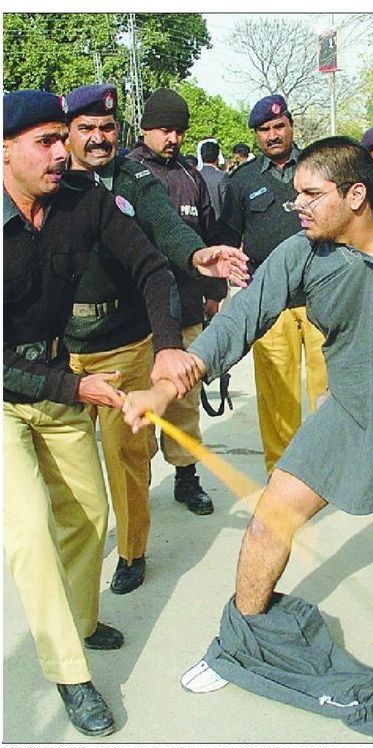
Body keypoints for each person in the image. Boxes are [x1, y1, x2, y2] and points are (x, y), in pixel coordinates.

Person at [124, 137, 373, 693]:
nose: (298, 207)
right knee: (270, 520)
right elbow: (242, 317)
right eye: (296, 195)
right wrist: (168, 387)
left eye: (312, 195)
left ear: (355, 196)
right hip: (350, 409)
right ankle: (239, 648)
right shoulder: (300, 253)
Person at [3, 89, 189, 736]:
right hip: (9, 395)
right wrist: (74, 387)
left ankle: (80, 620)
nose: (62, 153)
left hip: (57, 384)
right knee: (30, 532)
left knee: (88, 514)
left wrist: (169, 347)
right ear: (4, 151)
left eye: (64, 138)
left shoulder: (84, 201)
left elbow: (153, 268)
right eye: (45, 142)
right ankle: (70, 673)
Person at [64, 84, 248, 593]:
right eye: (86, 128)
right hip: (63, 348)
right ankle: (78, 545)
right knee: (67, 466)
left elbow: (167, 228)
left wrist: (195, 255)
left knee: (127, 457)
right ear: (67, 133)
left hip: (124, 343)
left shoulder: (134, 179)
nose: (98, 138)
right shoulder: (51, 180)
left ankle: (132, 551)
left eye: (106, 127)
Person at [128, 88, 229, 516]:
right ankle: (137, 486)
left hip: (185, 307)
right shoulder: (127, 172)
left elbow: (209, 235)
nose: (172, 138)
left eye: (179, 131)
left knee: (184, 400)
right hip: (137, 316)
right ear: (145, 128)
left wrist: (214, 295)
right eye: (165, 129)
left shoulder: (191, 176)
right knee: (138, 407)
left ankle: (187, 477)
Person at [215, 94, 328, 473]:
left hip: (321, 298)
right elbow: (227, 237)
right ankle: (282, 475)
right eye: (264, 129)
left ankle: (331, 469)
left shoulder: (318, 167)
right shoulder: (242, 181)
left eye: (279, 126)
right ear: (256, 135)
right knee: (277, 397)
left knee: (330, 391)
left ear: (291, 125)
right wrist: (224, 282)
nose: (273, 134)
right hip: (271, 305)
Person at [198, 140, 228, 220]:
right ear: (217, 157)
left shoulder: (194, 176)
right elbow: (226, 203)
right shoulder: (222, 176)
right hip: (217, 222)